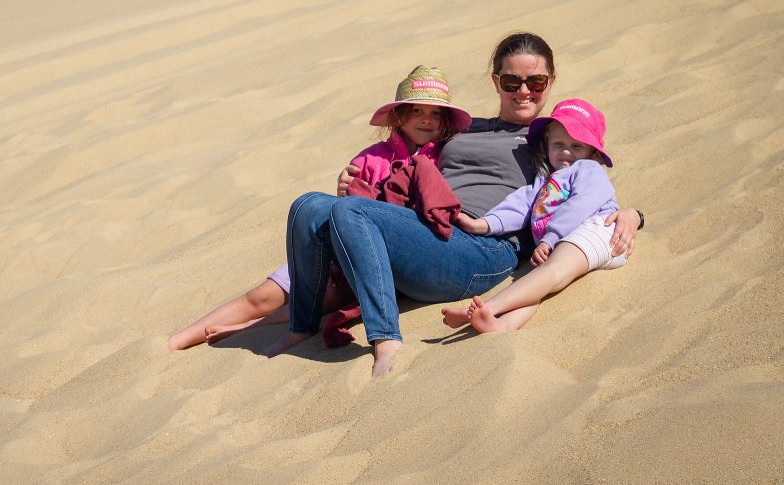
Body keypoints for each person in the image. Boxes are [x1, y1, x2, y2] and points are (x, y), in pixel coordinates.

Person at [269, 32, 642, 376]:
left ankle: (386, 339)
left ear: (551, 82)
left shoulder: (551, 137)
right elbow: (407, 147)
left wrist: (632, 216)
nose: (523, 91)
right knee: (309, 205)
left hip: (481, 251)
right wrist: (356, 179)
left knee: (349, 211)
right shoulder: (462, 128)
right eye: (512, 82)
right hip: (422, 230)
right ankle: (302, 326)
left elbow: (584, 186)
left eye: (536, 82)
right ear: (496, 81)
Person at [167, 66, 473, 350]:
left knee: (323, 299)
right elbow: (344, 210)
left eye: (436, 113)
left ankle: (245, 328)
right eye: (416, 110)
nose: (426, 119)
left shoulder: (446, 159)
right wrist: (343, 189)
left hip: (378, 258)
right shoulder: (370, 157)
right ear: (398, 115)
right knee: (263, 295)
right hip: (332, 247)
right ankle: (176, 342)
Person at [441, 98, 626, 333]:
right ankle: (501, 324)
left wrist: (550, 238)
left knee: (550, 272)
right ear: (546, 145)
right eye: (559, 144)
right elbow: (520, 205)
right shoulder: (544, 181)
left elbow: (581, 205)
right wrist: (484, 225)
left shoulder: (588, 170)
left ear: (592, 152)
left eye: (577, 147)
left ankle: (489, 307)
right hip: (563, 244)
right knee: (536, 283)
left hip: (601, 231)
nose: (566, 151)